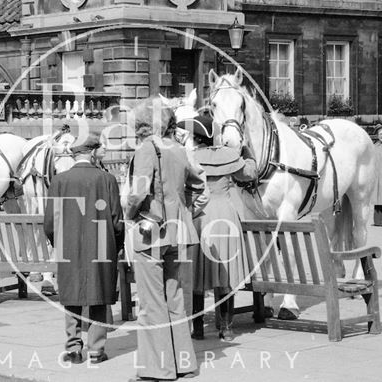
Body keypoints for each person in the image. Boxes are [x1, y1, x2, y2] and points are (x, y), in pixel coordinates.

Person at [124, 97, 206, 381]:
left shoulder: (147, 148)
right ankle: (183, 363)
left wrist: (130, 214)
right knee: (174, 298)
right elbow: (199, 186)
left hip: (151, 233)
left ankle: (158, 369)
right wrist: (184, 210)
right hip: (178, 232)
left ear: (144, 125)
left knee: (150, 303)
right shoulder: (179, 149)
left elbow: (138, 191)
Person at [44, 130, 124, 365]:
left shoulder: (59, 181)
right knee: (99, 296)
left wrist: (57, 242)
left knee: (72, 296)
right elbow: (117, 219)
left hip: (69, 247)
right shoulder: (106, 180)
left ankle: (73, 348)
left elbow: (50, 221)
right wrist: (116, 245)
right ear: (90, 153)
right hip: (101, 245)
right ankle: (96, 350)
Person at [189, 116, 257, 341]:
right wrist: (247, 151)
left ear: (196, 138)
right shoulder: (228, 156)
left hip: (200, 216)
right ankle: (226, 327)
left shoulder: (191, 157)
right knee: (226, 272)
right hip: (225, 215)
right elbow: (249, 173)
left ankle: (197, 327)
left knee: (198, 273)